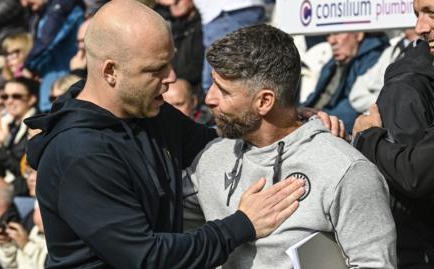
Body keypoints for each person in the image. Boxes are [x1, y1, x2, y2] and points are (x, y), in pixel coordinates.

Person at [24, 1, 305, 267]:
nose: (171, 76)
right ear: (111, 71)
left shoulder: (148, 111)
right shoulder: (80, 153)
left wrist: (290, 119)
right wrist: (242, 224)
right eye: (156, 69)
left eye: (169, 62)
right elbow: (147, 258)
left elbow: (218, 146)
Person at [184, 24, 396, 268]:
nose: (209, 98)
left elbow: (374, 263)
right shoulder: (212, 157)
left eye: (223, 90)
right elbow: (153, 227)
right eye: (212, 83)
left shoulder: (346, 170)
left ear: (264, 101)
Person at [353, 1, 434, 266]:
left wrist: (369, 136)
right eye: (417, 14)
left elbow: (414, 173)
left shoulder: (409, 86)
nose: (420, 28)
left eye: (432, 13)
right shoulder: (407, 85)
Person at [303, 32, 389, 132]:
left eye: (338, 33)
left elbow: (352, 110)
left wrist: (313, 120)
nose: (331, 40)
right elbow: (317, 96)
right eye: (329, 34)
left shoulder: (373, 57)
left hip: (332, 126)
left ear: (359, 34)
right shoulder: (337, 59)